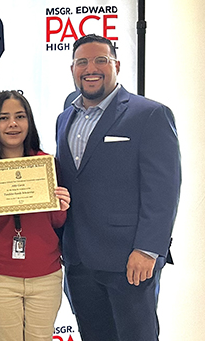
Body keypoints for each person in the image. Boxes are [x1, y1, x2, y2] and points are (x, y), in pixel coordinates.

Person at [55, 34, 181, 341]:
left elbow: (164, 190)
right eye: (82, 62)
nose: (91, 68)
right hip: (79, 260)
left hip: (129, 260)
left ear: (117, 66)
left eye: (101, 60)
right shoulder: (64, 117)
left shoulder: (149, 114)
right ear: (73, 68)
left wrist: (148, 249)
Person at [0, 91, 71, 341]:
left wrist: (61, 207)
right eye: (4, 118)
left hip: (45, 275)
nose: (13, 124)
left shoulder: (46, 164)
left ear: (29, 122)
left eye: (20, 116)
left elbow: (55, 223)